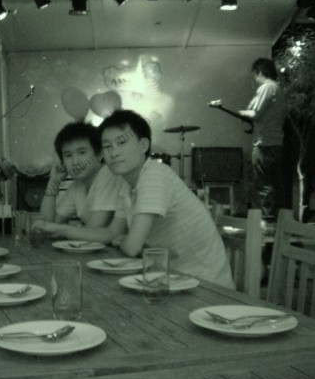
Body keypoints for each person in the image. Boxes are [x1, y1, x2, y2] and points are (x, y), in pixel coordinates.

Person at [42, 110, 234, 289]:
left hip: (207, 287)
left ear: (144, 145)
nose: (113, 152)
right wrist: (62, 228)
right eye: (107, 146)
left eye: (121, 143)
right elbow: (112, 233)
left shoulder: (155, 175)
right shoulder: (127, 184)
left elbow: (132, 247)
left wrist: (122, 241)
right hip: (167, 278)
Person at [34, 121, 125, 237]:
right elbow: (46, 225)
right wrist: (54, 181)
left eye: (82, 152)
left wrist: (63, 230)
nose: (75, 161)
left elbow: (95, 228)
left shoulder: (108, 174)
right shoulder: (76, 187)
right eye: (68, 155)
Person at [238, 58, 287, 229]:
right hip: (276, 142)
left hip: (264, 143)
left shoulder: (267, 87)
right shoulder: (278, 89)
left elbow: (255, 113)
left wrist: (242, 113)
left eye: (254, 75)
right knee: (274, 182)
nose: (254, 79)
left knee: (263, 182)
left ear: (259, 72)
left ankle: (267, 221)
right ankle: (276, 221)